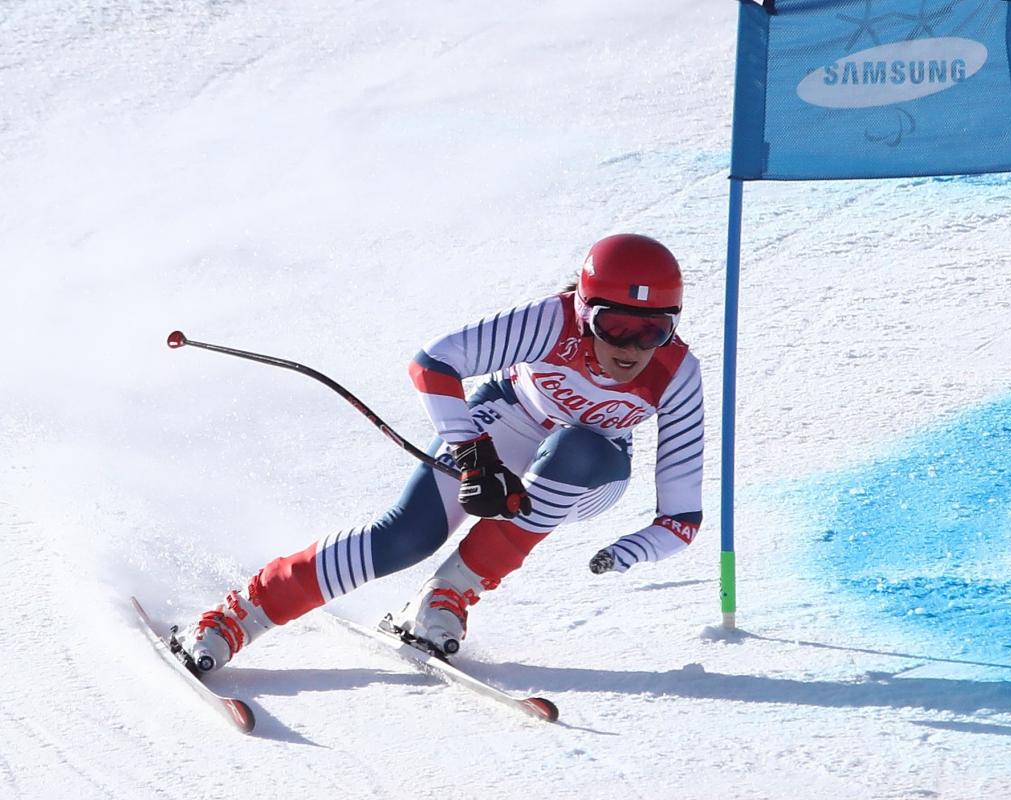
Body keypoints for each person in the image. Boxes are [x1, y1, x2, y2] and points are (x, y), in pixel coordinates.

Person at [179, 233, 705, 671]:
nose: (634, 349)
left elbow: (681, 519)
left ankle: (448, 595)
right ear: (585, 309)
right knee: (408, 537)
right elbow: (432, 363)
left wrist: (628, 552)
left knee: (577, 448)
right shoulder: (552, 321)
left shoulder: (677, 373)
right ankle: (238, 615)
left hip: (593, 471)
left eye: (656, 331)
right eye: (617, 326)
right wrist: (476, 457)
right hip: (506, 420)